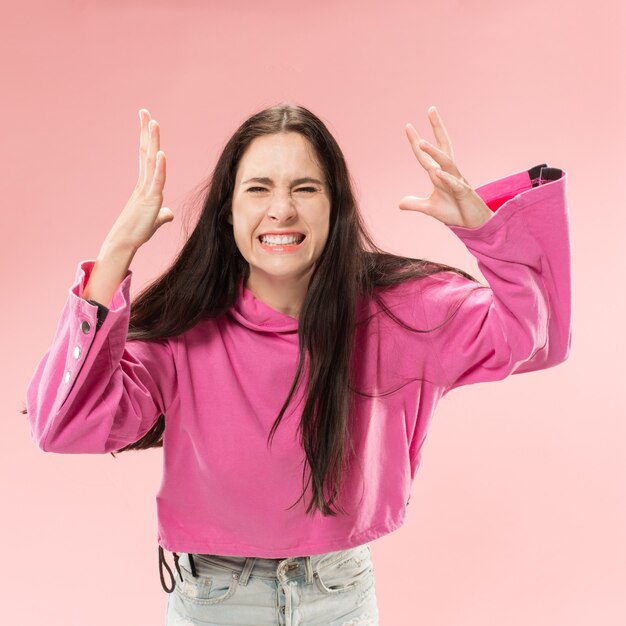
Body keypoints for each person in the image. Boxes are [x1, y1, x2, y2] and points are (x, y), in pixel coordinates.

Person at [23, 103, 572, 625]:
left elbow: (533, 335)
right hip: (216, 599)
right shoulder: (183, 333)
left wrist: (485, 231)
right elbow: (61, 424)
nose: (281, 209)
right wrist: (117, 252)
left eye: (304, 188)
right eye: (258, 188)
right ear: (228, 213)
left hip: (340, 594)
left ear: (335, 206)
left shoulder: (397, 311)